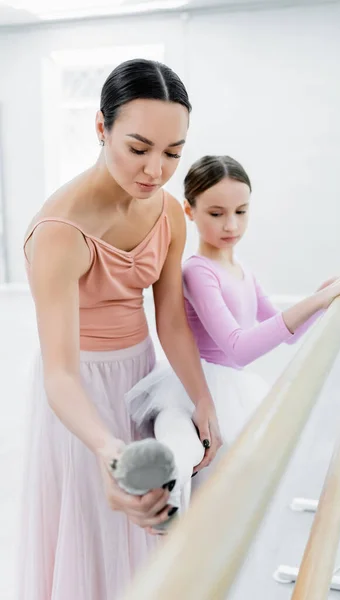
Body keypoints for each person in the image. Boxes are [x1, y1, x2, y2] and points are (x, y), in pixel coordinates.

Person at [18, 60, 222, 600]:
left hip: (138, 379)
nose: (156, 169)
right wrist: (109, 450)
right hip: (79, 400)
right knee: (92, 536)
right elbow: (59, 374)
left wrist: (202, 400)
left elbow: (171, 320)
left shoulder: (170, 214)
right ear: (101, 128)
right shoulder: (60, 231)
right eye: (139, 148)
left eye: (173, 153)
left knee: (146, 530)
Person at [125, 154, 340, 527]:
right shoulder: (197, 271)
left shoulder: (241, 270)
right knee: (192, 461)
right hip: (201, 383)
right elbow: (238, 346)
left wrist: (327, 293)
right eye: (217, 213)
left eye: (241, 212)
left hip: (234, 389)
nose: (231, 224)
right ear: (190, 211)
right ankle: (166, 494)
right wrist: (318, 299)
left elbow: (284, 332)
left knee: (222, 500)